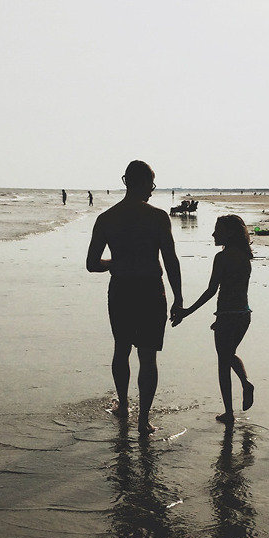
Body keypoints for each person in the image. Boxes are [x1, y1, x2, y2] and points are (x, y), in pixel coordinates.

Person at [86, 160, 183, 435]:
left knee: (121, 348)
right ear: (139, 183)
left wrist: (114, 262)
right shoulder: (158, 217)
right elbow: (171, 260)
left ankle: (124, 406)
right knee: (148, 356)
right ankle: (143, 420)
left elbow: (92, 263)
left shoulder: (106, 218)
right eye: (151, 184)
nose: (152, 191)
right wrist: (179, 297)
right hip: (152, 290)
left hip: (122, 290)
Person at [172, 215, 254, 424]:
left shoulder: (222, 257)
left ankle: (229, 412)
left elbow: (211, 291)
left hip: (227, 316)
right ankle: (245, 384)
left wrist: (187, 311)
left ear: (230, 233)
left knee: (223, 364)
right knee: (229, 354)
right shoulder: (245, 256)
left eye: (218, 230)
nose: (213, 234)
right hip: (244, 314)